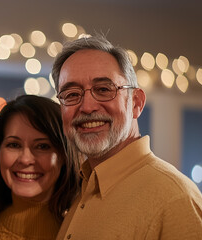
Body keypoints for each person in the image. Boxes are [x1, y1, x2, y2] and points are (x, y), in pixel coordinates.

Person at [51, 35, 202, 239]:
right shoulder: (79, 193)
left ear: (136, 103)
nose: (87, 107)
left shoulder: (175, 200)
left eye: (104, 90)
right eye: (71, 94)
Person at [0, 95, 80, 239]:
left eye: (42, 146)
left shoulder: (83, 229)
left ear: (64, 156)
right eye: (14, 145)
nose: (25, 159)